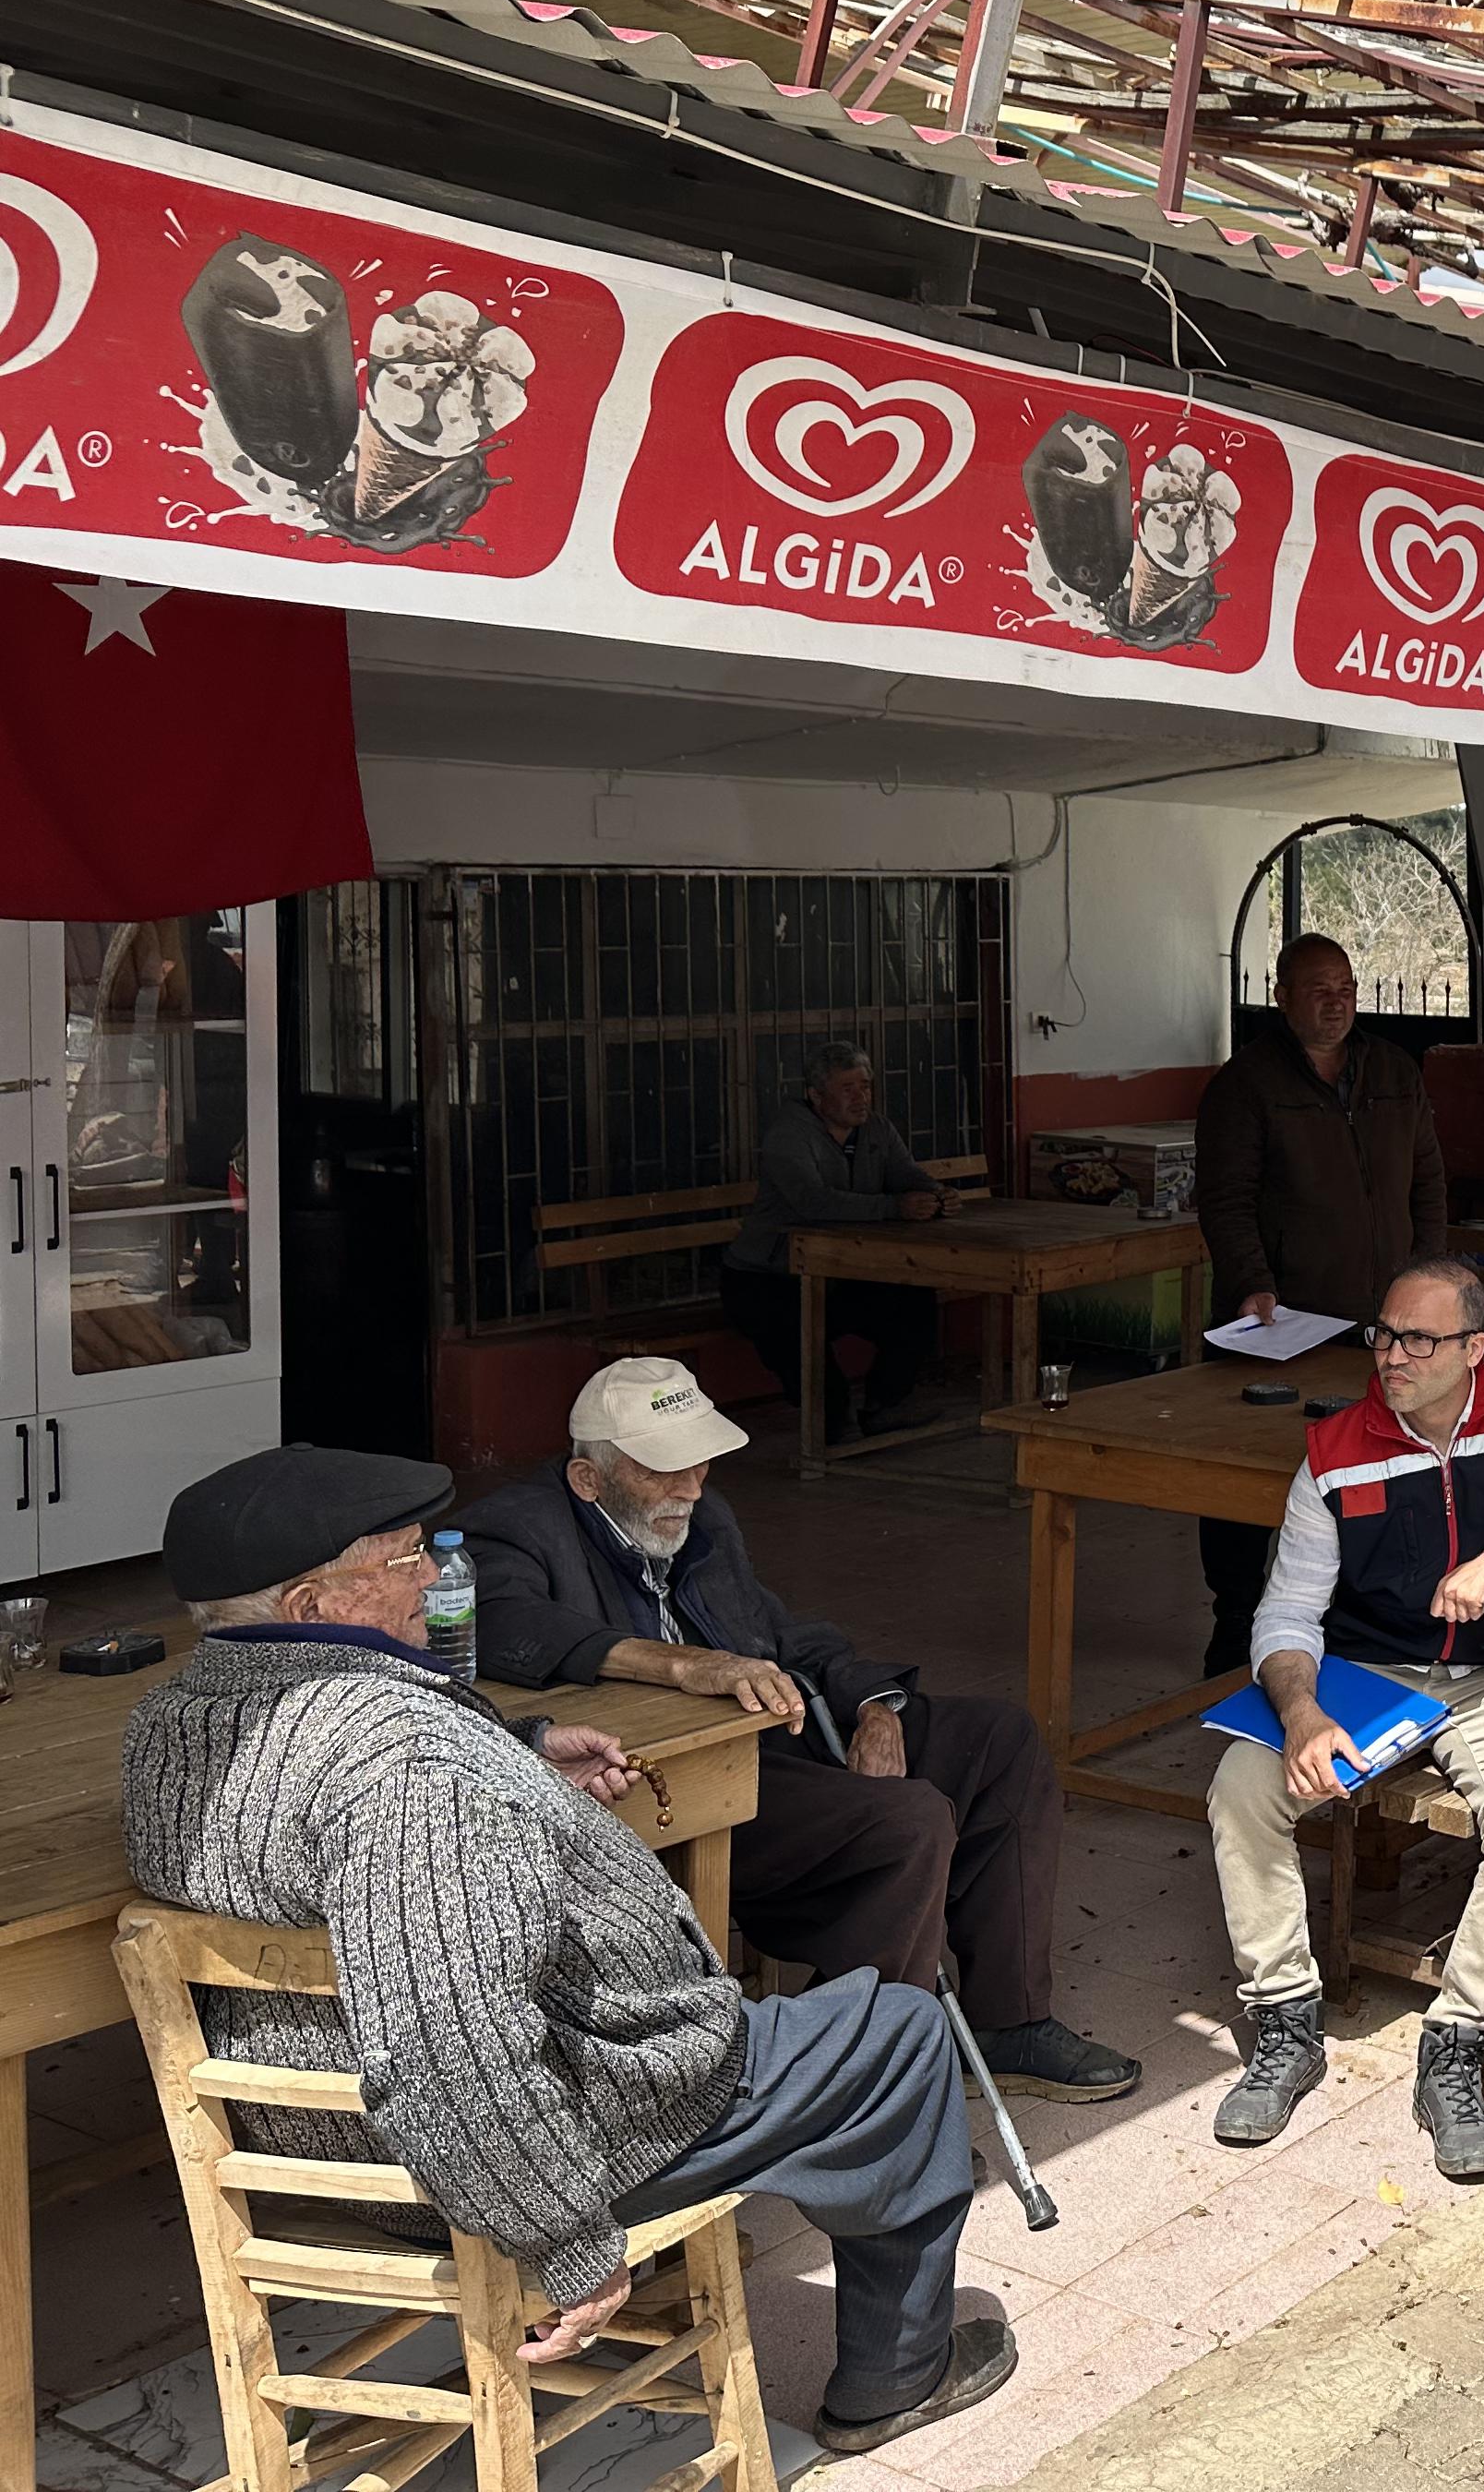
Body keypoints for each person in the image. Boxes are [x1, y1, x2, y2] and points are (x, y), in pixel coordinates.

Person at [125, 1445, 1014, 2457]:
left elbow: (325, 1812)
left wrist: (520, 1753)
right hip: (489, 2158)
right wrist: (567, 2238)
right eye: (406, 1559)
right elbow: (447, 2045)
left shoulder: (171, 1726)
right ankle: (896, 2378)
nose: (435, 1577)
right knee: (895, 2034)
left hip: (307, 2137)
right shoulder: (413, 1769)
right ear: (308, 1604)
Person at [460, 1360, 1136, 2104]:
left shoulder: (702, 1518)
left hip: (771, 1748)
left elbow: (780, 1635)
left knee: (1000, 1740)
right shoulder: (522, 1527)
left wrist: (876, 1706)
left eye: (699, 1462)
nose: (691, 1486)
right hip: (666, 1784)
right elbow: (504, 1623)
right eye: (664, 1469)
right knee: (909, 1821)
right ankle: (862, 2092)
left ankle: (1008, 2022)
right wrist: (685, 1664)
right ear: (590, 1479)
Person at [1208, 1256, 1484, 2177]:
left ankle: (1460, 2039)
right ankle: (1284, 2019)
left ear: (1474, 1347)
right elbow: (1287, 1613)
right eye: (1384, 1334)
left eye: (1418, 1339)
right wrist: (1300, 1711)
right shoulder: (1334, 1450)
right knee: (1241, 1787)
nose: (1391, 1356)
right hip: (1367, 1671)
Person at [1191, 933, 1453, 1675]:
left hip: (1380, 1321)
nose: (1335, 1003)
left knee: (1370, 1468)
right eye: (1317, 990)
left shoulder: (1393, 1071)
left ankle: (1352, 1624)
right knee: (1241, 1473)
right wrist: (1252, 1280)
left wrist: (1430, 1280)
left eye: (1344, 988)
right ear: (1282, 998)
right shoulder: (1245, 1084)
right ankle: (1235, 1623)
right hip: (1279, 1320)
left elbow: (1427, 1181)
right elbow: (1226, 1198)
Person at [716, 1040, 948, 1444]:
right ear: (816, 1095)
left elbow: (905, 1174)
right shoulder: (789, 1135)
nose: (861, 1098)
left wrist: (936, 1195)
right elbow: (813, 1201)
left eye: (865, 1086)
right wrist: (894, 1207)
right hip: (766, 1277)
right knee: (795, 1331)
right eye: (847, 1089)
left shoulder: (877, 1129)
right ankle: (829, 1423)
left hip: (840, 1271)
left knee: (913, 1302)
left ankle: (886, 1405)